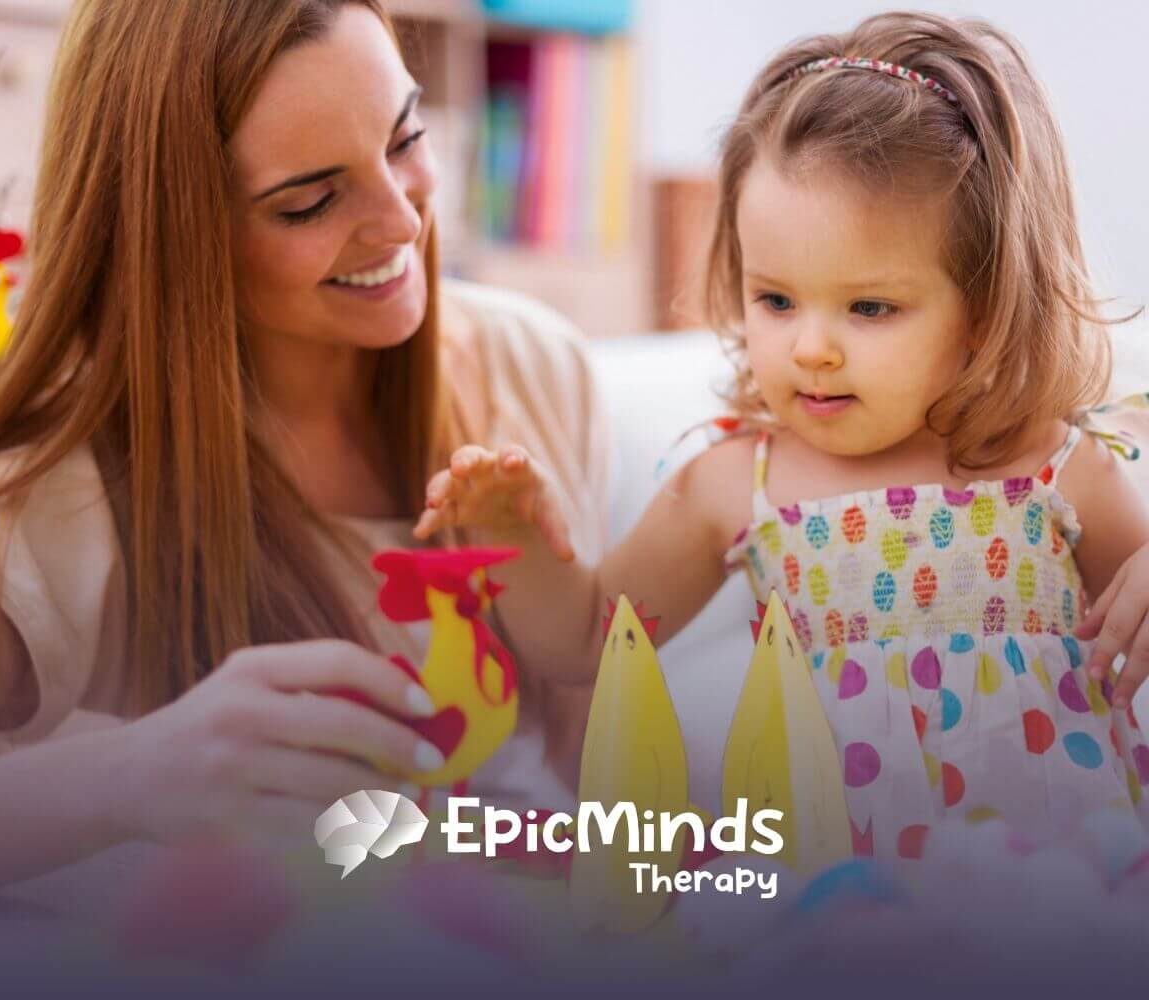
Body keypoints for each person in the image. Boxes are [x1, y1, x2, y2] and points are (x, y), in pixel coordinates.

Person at [416, 12, 1149, 861]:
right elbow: (585, 641)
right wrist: (515, 533)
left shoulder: (1064, 469)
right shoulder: (735, 482)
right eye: (775, 300)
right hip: (836, 898)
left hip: (1070, 888)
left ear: (986, 310)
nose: (810, 347)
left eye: (869, 307)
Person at [0, 0, 606, 898]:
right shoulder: (55, 496)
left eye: (405, 137)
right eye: (311, 201)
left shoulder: (532, 363)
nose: (403, 222)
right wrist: (130, 777)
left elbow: (602, 766)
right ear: (172, 239)